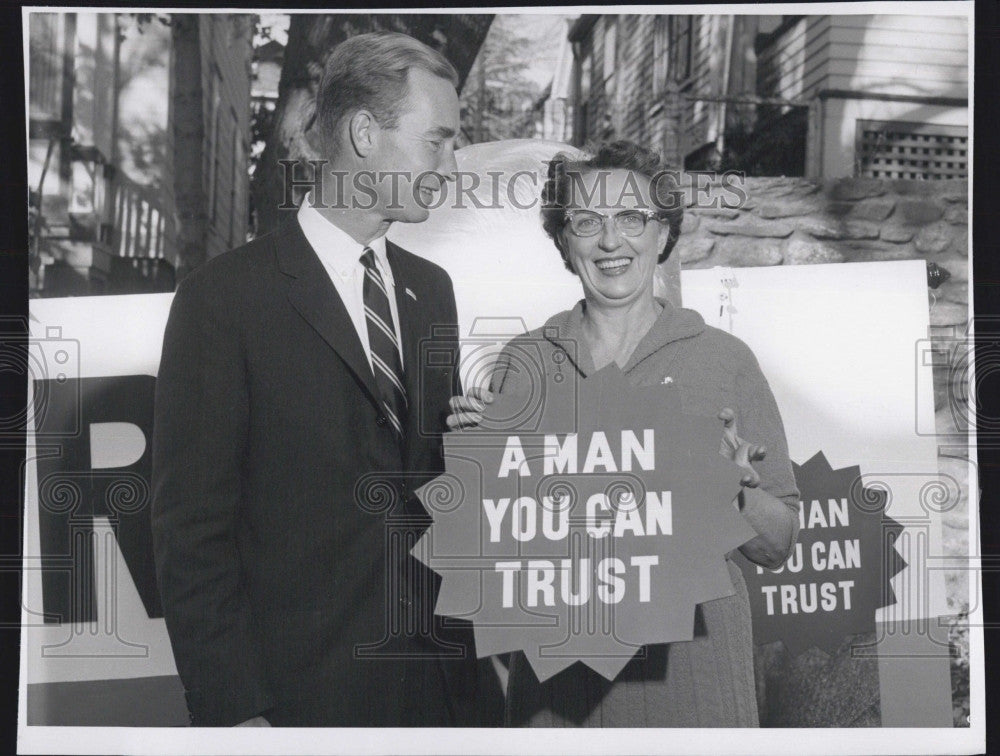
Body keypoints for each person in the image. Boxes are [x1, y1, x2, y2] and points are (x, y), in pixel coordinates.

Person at [151, 31, 495, 727]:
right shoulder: (222, 301)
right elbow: (191, 537)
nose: (452, 166)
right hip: (301, 706)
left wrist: (478, 450)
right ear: (365, 134)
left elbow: (425, 492)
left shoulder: (434, 292)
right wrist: (236, 713)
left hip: (447, 693)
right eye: (438, 140)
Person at [448, 140, 800, 727]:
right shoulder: (525, 360)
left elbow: (778, 545)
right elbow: (492, 552)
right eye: (587, 221)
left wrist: (734, 487)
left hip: (695, 687)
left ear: (663, 234)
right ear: (564, 240)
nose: (611, 242)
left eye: (632, 218)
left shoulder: (724, 359)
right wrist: (483, 461)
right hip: (560, 698)